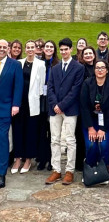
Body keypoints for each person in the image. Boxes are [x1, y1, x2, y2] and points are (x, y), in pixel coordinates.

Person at [46, 38, 84, 186]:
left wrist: (62, 105)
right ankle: (56, 170)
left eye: (66, 49)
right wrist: (55, 104)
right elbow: (50, 87)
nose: (63, 52)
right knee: (54, 140)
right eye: (61, 50)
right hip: (54, 109)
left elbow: (75, 90)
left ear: (71, 50)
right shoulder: (54, 68)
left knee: (70, 140)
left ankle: (69, 171)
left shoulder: (78, 68)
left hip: (70, 109)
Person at [10, 40, 45, 175]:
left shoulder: (40, 64)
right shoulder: (19, 63)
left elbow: (42, 85)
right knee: (18, 131)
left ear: (36, 49)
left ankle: (28, 160)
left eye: (33, 47)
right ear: (25, 49)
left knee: (30, 132)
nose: (30, 49)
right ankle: (18, 159)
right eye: (28, 47)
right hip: (19, 102)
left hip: (33, 103)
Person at [79, 60, 109, 179]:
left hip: (106, 121)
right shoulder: (87, 83)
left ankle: (104, 169)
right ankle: (90, 168)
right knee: (91, 145)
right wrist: (90, 128)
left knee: (103, 144)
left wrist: (102, 129)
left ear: (107, 70)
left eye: (102, 68)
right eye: (97, 68)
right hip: (90, 120)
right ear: (94, 70)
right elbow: (83, 106)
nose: (100, 70)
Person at [0, 40, 22, 188]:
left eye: (4, 47)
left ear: (8, 49)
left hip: (5, 108)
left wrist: (15, 104)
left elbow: (18, 86)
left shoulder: (15, 65)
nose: (1, 49)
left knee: (2, 139)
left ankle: (1, 173)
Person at [36, 40, 58, 171]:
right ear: (44, 49)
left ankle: (51, 159)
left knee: (52, 132)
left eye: (51, 47)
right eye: (47, 47)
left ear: (54, 50)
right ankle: (41, 158)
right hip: (40, 100)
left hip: (51, 100)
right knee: (41, 130)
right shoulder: (39, 63)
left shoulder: (57, 64)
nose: (49, 49)